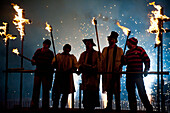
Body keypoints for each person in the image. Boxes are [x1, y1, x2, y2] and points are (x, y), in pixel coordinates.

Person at [122, 37, 153, 113]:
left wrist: (146, 70)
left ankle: (148, 108)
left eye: (128, 42)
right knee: (131, 93)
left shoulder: (140, 50)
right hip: (129, 76)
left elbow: (147, 60)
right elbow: (125, 63)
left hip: (138, 75)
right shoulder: (128, 52)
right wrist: (123, 59)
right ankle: (133, 109)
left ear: (131, 43)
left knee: (142, 92)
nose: (127, 44)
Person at [52, 44, 78, 109]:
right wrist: (55, 64)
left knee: (65, 94)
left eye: (68, 49)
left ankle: (62, 107)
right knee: (57, 93)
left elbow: (75, 66)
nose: (67, 50)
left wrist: (72, 69)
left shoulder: (72, 57)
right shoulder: (58, 56)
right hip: (59, 76)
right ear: (63, 49)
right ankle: (55, 107)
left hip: (67, 77)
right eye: (66, 48)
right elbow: (53, 64)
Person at [102, 31, 123, 112]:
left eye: (112, 39)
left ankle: (118, 107)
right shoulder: (105, 49)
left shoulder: (119, 50)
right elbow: (102, 60)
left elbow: (121, 61)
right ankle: (109, 106)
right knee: (109, 91)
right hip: (107, 72)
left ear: (115, 40)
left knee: (116, 90)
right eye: (110, 39)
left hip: (115, 73)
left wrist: (119, 67)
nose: (110, 40)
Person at [30, 39, 54, 110]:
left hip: (46, 74)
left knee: (45, 90)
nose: (45, 45)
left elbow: (52, 64)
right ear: (43, 44)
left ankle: (45, 105)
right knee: (36, 89)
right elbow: (33, 60)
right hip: (38, 73)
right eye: (45, 44)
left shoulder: (50, 53)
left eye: (47, 44)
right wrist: (33, 61)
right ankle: (34, 105)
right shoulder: (38, 51)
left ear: (49, 46)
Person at [78, 39, 101, 111]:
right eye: (86, 43)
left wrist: (94, 67)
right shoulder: (83, 54)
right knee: (86, 92)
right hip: (86, 76)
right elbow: (79, 64)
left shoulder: (97, 54)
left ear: (92, 45)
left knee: (93, 92)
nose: (87, 45)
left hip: (94, 76)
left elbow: (100, 64)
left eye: (89, 43)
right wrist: (81, 67)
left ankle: (92, 106)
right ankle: (86, 106)